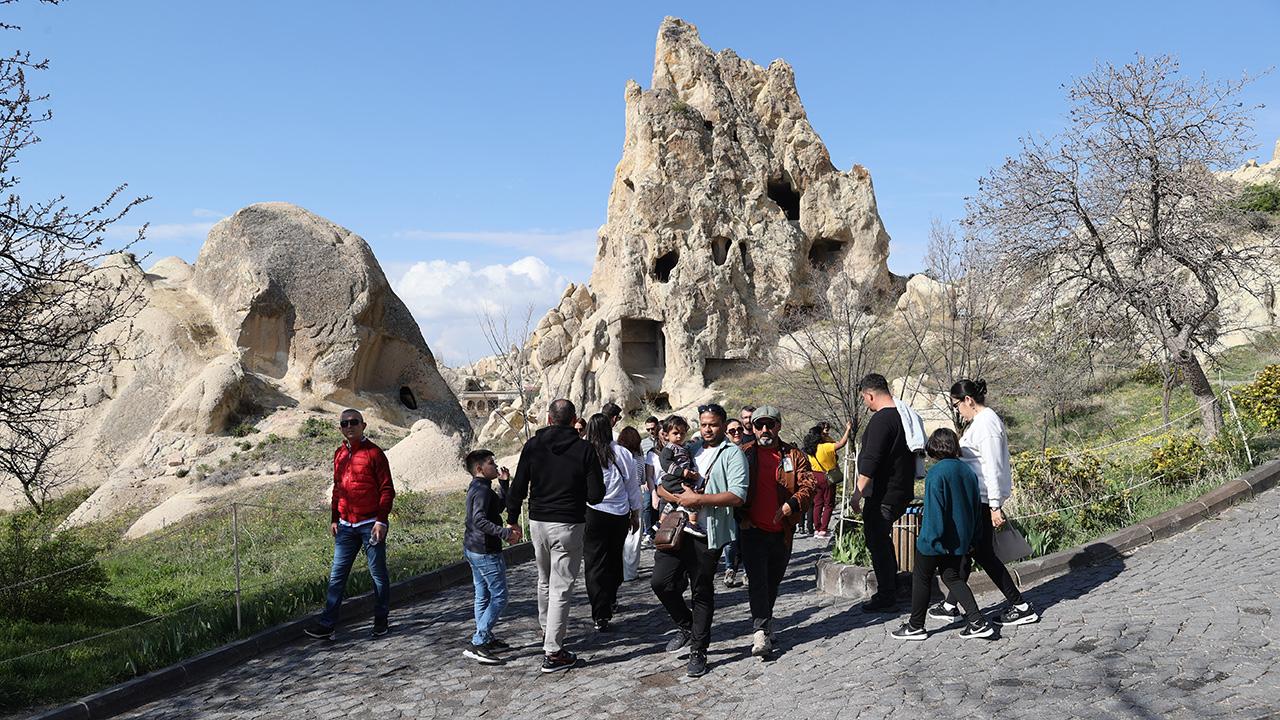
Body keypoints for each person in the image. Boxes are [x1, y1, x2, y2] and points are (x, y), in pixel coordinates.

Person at [928, 379, 1039, 627]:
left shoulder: (986, 424)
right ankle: (949, 605)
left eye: (957, 405)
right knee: (970, 553)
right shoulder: (981, 422)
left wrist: (994, 505)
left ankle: (1020, 605)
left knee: (983, 554)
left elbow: (992, 466)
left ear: (968, 400)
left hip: (982, 500)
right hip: (977, 499)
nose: (957, 410)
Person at [506, 398, 606, 673]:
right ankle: (553, 651)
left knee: (544, 580)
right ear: (575, 421)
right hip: (568, 524)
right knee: (561, 586)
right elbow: (597, 495)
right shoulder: (585, 449)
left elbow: (518, 487)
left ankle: (546, 629)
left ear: (549, 419)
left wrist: (512, 519)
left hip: (538, 521)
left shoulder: (533, 446)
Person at [651, 403, 749, 678]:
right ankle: (686, 625)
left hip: (709, 532)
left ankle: (698, 649)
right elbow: (662, 484)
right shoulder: (688, 448)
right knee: (661, 582)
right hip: (677, 527)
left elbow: (738, 496)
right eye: (704, 424)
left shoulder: (732, 454)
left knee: (701, 590)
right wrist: (674, 497)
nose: (708, 429)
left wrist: (699, 500)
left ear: (722, 424)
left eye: (713, 424)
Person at [891, 429, 994, 641]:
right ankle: (977, 621)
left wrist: (929, 540)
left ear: (934, 447)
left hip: (936, 539)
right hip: (961, 539)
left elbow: (935, 512)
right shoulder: (968, 472)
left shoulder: (936, 474)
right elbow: (975, 507)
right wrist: (973, 537)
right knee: (952, 577)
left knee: (921, 578)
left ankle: (916, 626)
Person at [305, 409, 395, 640]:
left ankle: (381, 621)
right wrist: (334, 518)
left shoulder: (375, 454)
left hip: (370, 524)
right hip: (346, 526)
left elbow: (386, 489)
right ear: (340, 429)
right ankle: (328, 624)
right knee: (337, 575)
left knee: (377, 574)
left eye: (354, 422)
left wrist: (381, 520)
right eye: (345, 424)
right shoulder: (339, 454)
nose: (349, 427)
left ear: (363, 425)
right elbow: (338, 488)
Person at [738, 405, 816, 657]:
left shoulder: (794, 455)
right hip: (752, 529)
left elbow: (808, 485)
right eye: (759, 425)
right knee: (757, 581)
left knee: (773, 581)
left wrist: (790, 505)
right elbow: (732, 488)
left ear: (778, 426)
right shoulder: (743, 453)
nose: (764, 430)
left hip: (782, 531)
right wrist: (740, 516)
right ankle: (760, 631)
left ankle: (766, 621)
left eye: (769, 424)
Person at [851, 374, 917, 613]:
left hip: (884, 494)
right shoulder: (902, 415)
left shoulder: (882, 420)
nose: (866, 404)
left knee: (876, 539)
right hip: (899, 489)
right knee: (881, 539)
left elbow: (872, 459)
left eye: (864, 399)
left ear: (869, 395)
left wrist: (857, 493)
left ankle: (887, 594)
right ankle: (892, 586)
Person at [461, 449, 524, 664]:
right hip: (485, 551)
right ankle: (478, 643)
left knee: (483, 595)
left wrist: (504, 484)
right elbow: (478, 520)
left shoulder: (481, 487)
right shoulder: (481, 491)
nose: (495, 466)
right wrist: (505, 533)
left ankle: (485, 637)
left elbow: (497, 507)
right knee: (500, 596)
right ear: (479, 469)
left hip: (474, 548)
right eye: (491, 463)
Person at [583, 415, 644, 632]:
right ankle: (610, 597)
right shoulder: (623, 453)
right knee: (614, 558)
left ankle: (600, 612)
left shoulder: (584, 451)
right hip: (619, 513)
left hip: (593, 513)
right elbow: (632, 487)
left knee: (594, 563)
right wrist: (635, 514)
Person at [657, 415, 706, 537]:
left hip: (678, 479)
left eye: (683, 433)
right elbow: (666, 464)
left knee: (672, 502)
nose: (679, 436)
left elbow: (687, 463)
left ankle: (660, 522)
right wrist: (683, 472)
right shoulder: (669, 448)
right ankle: (693, 523)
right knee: (693, 498)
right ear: (666, 435)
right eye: (675, 433)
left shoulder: (682, 448)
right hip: (674, 479)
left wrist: (691, 472)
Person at [803, 420, 851, 539]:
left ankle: (817, 528)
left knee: (818, 503)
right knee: (828, 504)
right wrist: (848, 430)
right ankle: (824, 529)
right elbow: (841, 443)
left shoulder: (810, 450)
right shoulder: (826, 447)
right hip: (828, 476)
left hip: (815, 476)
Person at [720, 418, 748, 588]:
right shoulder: (722, 452)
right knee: (731, 540)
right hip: (728, 502)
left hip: (745, 503)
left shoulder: (750, 450)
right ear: (726, 433)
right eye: (732, 430)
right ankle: (730, 568)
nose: (736, 432)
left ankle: (747, 570)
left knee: (746, 539)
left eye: (739, 429)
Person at [616, 426, 647, 576]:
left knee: (620, 536)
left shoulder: (617, 456)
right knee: (634, 537)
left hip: (619, 498)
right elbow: (642, 480)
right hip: (635, 497)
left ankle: (619, 568)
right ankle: (630, 571)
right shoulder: (639, 459)